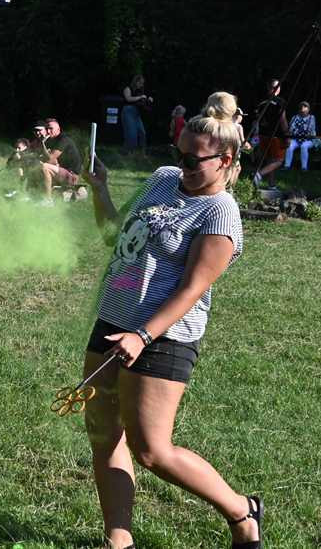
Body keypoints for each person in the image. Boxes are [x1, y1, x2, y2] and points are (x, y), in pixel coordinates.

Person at [82, 92, 260, 549]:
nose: (182, 166)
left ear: (225, 159)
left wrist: (142, 335)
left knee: (152, 451)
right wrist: (100, 189)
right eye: (178, 154)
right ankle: (118, 541)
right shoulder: (163, 179)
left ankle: (242, 511)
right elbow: (113, 235)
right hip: (112, 321)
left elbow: (192, 289)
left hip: (162, 337)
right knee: (105, 434)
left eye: (193, 160)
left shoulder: (221, 213)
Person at [251, 79, 289, 188]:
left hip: (263, 135)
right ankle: (259, 174)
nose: (276, 89)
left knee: (270, 160)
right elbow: (283, 120)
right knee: (279, 161)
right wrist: (287, 135)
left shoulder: (262, 102)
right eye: (275, 87)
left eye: (277, 87)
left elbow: (257, 119)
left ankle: (271, 185)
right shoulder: (279, 102)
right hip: (276, 136)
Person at [40, 118, 83, 202]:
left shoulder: (63, 140)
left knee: (45, 167)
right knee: (36, 167)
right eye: (47, 129)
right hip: (62, 172)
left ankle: (48, 200)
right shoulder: (52, 140)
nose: (48, 131)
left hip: (71, 176)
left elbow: (51, 158)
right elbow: (53, 161)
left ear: (58, 129)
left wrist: (42, 144)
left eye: (51, 128)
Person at [121, 75, 153, 152]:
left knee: (142, 132)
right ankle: (129, 152)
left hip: (136, 113)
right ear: (136, 82)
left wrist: (148, 100)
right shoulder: (127, 88)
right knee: (131, 133)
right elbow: (128, 98)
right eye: (140, 83)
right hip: (128, 111)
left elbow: (142, 103)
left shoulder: (140, 91)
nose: (141, 85)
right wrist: (140, 97)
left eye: (142, 83)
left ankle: (142, 152)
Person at [284, 101, 317, 171]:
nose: (303, 111)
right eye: (301, 109)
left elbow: (310, 129)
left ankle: (304, 167)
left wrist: (299, 130)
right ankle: (287, 166)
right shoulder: (295, 117)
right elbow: (291, 128)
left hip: (308, 139)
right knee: (289, 146)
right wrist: (296, 132)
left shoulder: (311, 118)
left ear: (308, 109)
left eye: (305, 108)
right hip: (296, 139)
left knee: (304, 146)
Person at [228, 107, 250, 190]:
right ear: (237, 116)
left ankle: (230, 187)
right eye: (242, 116)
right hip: (235, 150)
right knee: (235, 168)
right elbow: (242, 140)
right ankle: (230, 188)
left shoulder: (227, 124)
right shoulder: (238, 127)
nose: (242, 118)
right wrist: (248, 145)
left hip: (227, 148)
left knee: (236, 167)